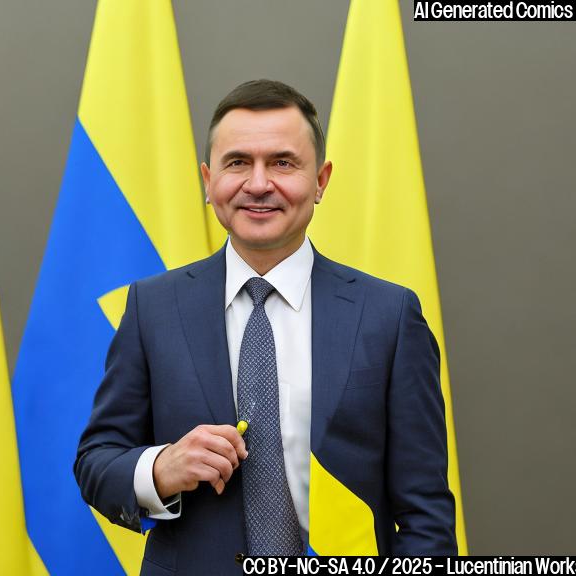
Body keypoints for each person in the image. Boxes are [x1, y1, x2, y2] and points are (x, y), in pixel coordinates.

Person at [75, 79, 456, 572]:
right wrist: (159, 469)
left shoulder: (389, 315)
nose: (258, 184)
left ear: (320, 180)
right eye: (237, 163)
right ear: (208, 181)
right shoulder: (153, 307)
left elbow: (425, 514)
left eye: (282, 163)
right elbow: (97, 460)